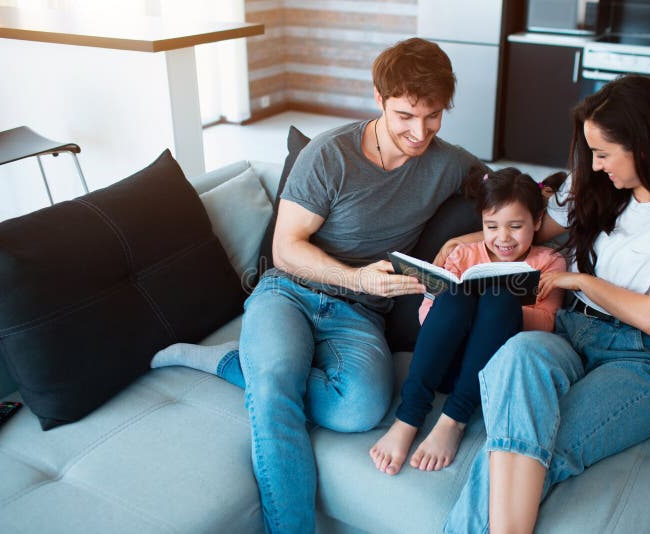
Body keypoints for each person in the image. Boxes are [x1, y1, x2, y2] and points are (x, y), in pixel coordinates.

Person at [150, 38, 486, 533]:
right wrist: (354, 276)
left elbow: (513, 203)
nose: (420, 133)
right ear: (379, 97)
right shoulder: (330, 154)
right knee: (275, 393)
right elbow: (287, 248)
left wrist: (474, 236)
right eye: (406, 116)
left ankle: (235, 363)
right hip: (289, 292)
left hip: (358, 314)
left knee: (362, 408)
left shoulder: (448, 162)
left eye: (433, 116)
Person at [440, 74, 650, 533]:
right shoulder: (596, 188)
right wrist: (465, 239)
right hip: (572, 335)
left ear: (645, 144)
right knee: (516, 356)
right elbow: (526, 225)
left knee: (528, 446)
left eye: (603, 153)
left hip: (640, 358)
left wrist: (579, 279)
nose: (595, 166)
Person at [369, 168, 566, 476]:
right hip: (443, 364)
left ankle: (453, 421)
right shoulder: (463, 255)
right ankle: (408, 417)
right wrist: (453, 298)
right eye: (492, 226)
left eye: (516, 226)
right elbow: (426, 318)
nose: (503, 238)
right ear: (482, 224)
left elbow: (546, 323)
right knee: (456, 296)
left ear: (537, 222)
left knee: (499, 301)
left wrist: (496, 301)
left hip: (486, 374)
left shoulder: (549, 262)